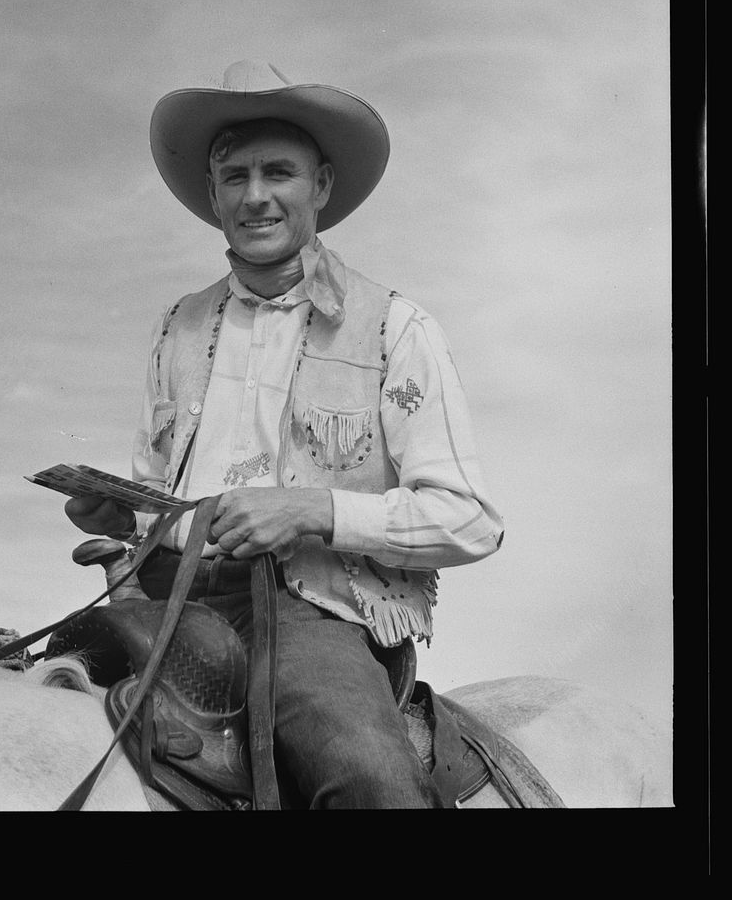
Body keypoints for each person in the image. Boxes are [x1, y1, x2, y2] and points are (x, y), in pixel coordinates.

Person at [64, 59, 504, 809]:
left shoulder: (396, 329)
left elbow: (471, 520)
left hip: (308, 610)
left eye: (279, 172)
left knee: (373, 784)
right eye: (234, 175)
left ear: (321, 187)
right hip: (167, 602)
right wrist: (124, 516)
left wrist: (310, 509)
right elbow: (160, 492)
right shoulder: (177, 326)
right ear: (212, 194)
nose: (255, 195)